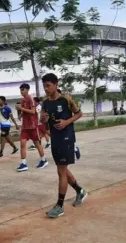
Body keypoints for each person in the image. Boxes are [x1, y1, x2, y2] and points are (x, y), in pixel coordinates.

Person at [41, 73, 87, 218]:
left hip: (67, 137)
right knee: (62, 169)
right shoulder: (45, 103)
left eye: (48, 85)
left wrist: (66, 122)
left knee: (61, 170)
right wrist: (43, 119)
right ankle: (80, 191)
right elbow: (42, 121)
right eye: (44, 86)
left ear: (56, 84)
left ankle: (59, 205)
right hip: (54, 138)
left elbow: (79, 114)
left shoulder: (66, 99)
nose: (46, 89)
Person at [15, 83, 48, 171]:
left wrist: (21, 109)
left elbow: (33, 112)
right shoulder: (22, 100)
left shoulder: (31, 99)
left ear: (27, 90)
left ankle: (43, 160)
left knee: (37, 144)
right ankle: (23, 163)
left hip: (33, 126)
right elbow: (23, 109)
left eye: (22, 90)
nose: (21, 91)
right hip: (25, 127)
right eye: (20, 90)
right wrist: (20, 114)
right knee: (22, 144)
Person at [57, 88, 81, 160]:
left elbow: (78, 114)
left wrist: (67, 122)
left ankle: (75, 149)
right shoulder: (50, 103)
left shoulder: (67, 102)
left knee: (68, 144)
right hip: (57, 127)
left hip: (67, 127)